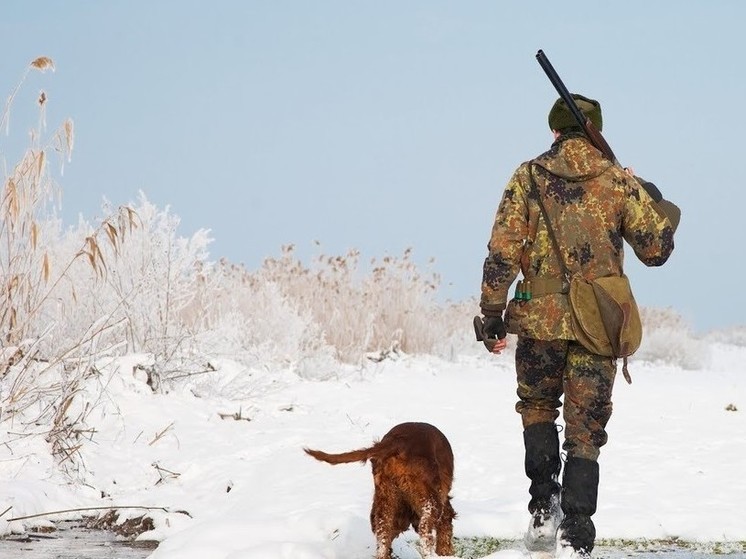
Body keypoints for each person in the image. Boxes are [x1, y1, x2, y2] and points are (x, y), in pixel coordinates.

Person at [478, 94, 680, 558]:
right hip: (599, 324)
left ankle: (543, 512)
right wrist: (643, 190)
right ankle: (577, 531)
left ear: (554, 131)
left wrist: (492, 315)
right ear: (595, 130)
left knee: (536, 409)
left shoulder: (527, 175)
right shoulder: (615, 180)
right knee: (586, 429)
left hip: (538, 322)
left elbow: (502, 252)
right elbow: (657, 250)